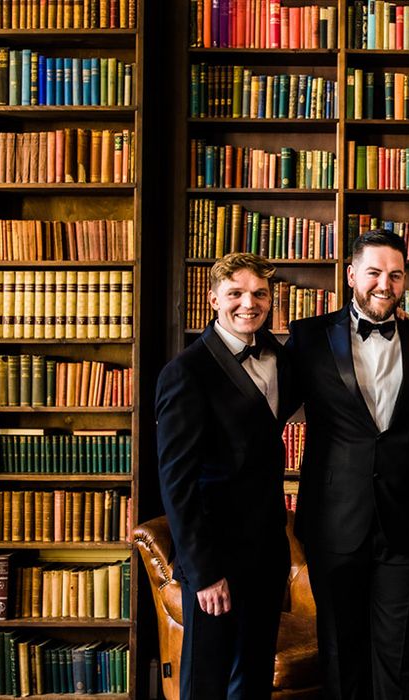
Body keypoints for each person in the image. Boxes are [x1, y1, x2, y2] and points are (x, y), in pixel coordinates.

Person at [286, 228, 409, 699]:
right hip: (333, 520)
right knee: (341, 655)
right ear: (350, 275)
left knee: (402, 655)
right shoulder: (307, 338)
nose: (385, 283)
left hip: (406, 521)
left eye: (396, 274)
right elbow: (263, 410)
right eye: (375, 272)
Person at [155, 252, 292, 699]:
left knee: (253, 678)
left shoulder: (281, 358)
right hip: (216, 556)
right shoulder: (186, 372)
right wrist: (205, 570)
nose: (247, 304)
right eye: (235, 294)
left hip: (268, 552)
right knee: (207, 681)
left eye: (259, 294)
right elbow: (178, 482)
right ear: (213, 299)